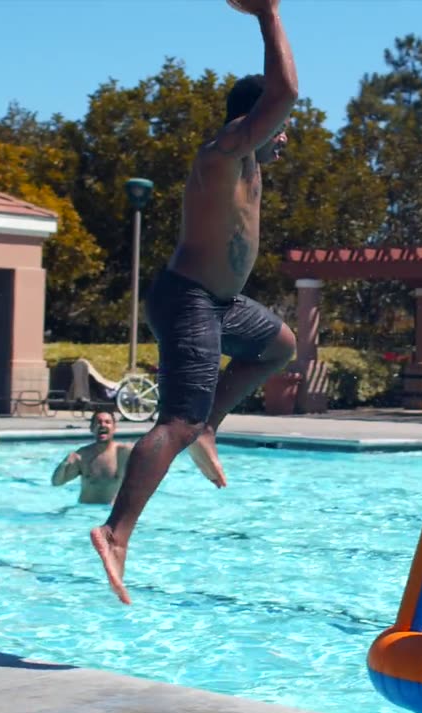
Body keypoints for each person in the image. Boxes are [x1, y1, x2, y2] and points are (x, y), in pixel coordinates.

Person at [90, 0, 299, 604]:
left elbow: (278, 109)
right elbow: (283, 93)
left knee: (280, 345)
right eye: (279, 129)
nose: (284, 140)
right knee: (174, 421)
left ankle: (210, 424)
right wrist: (268, 13)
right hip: (188, 300)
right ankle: (115, 531)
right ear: (252, 120)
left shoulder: (250, 164)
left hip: (222, 303)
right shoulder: (224, 152)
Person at [51, 411, 133, 504]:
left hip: (110, 512)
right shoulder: (82, 456)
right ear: (91, 428)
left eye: (107, 422)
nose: (102, 425)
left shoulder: (123, 453)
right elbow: (56, 482)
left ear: (114, 428)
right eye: (98, 422)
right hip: (85, 512)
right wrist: (64, 464)